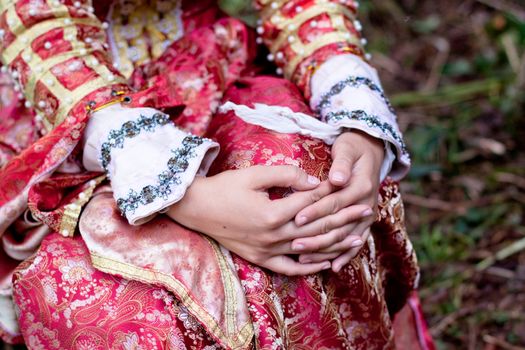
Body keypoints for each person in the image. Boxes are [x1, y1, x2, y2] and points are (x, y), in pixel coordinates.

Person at [0, 0, 433, 348]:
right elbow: (39, 29)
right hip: (65, 110)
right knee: (109, 302)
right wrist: (181, 192)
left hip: (207, 73)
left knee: (308, 189)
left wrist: (357, 119)